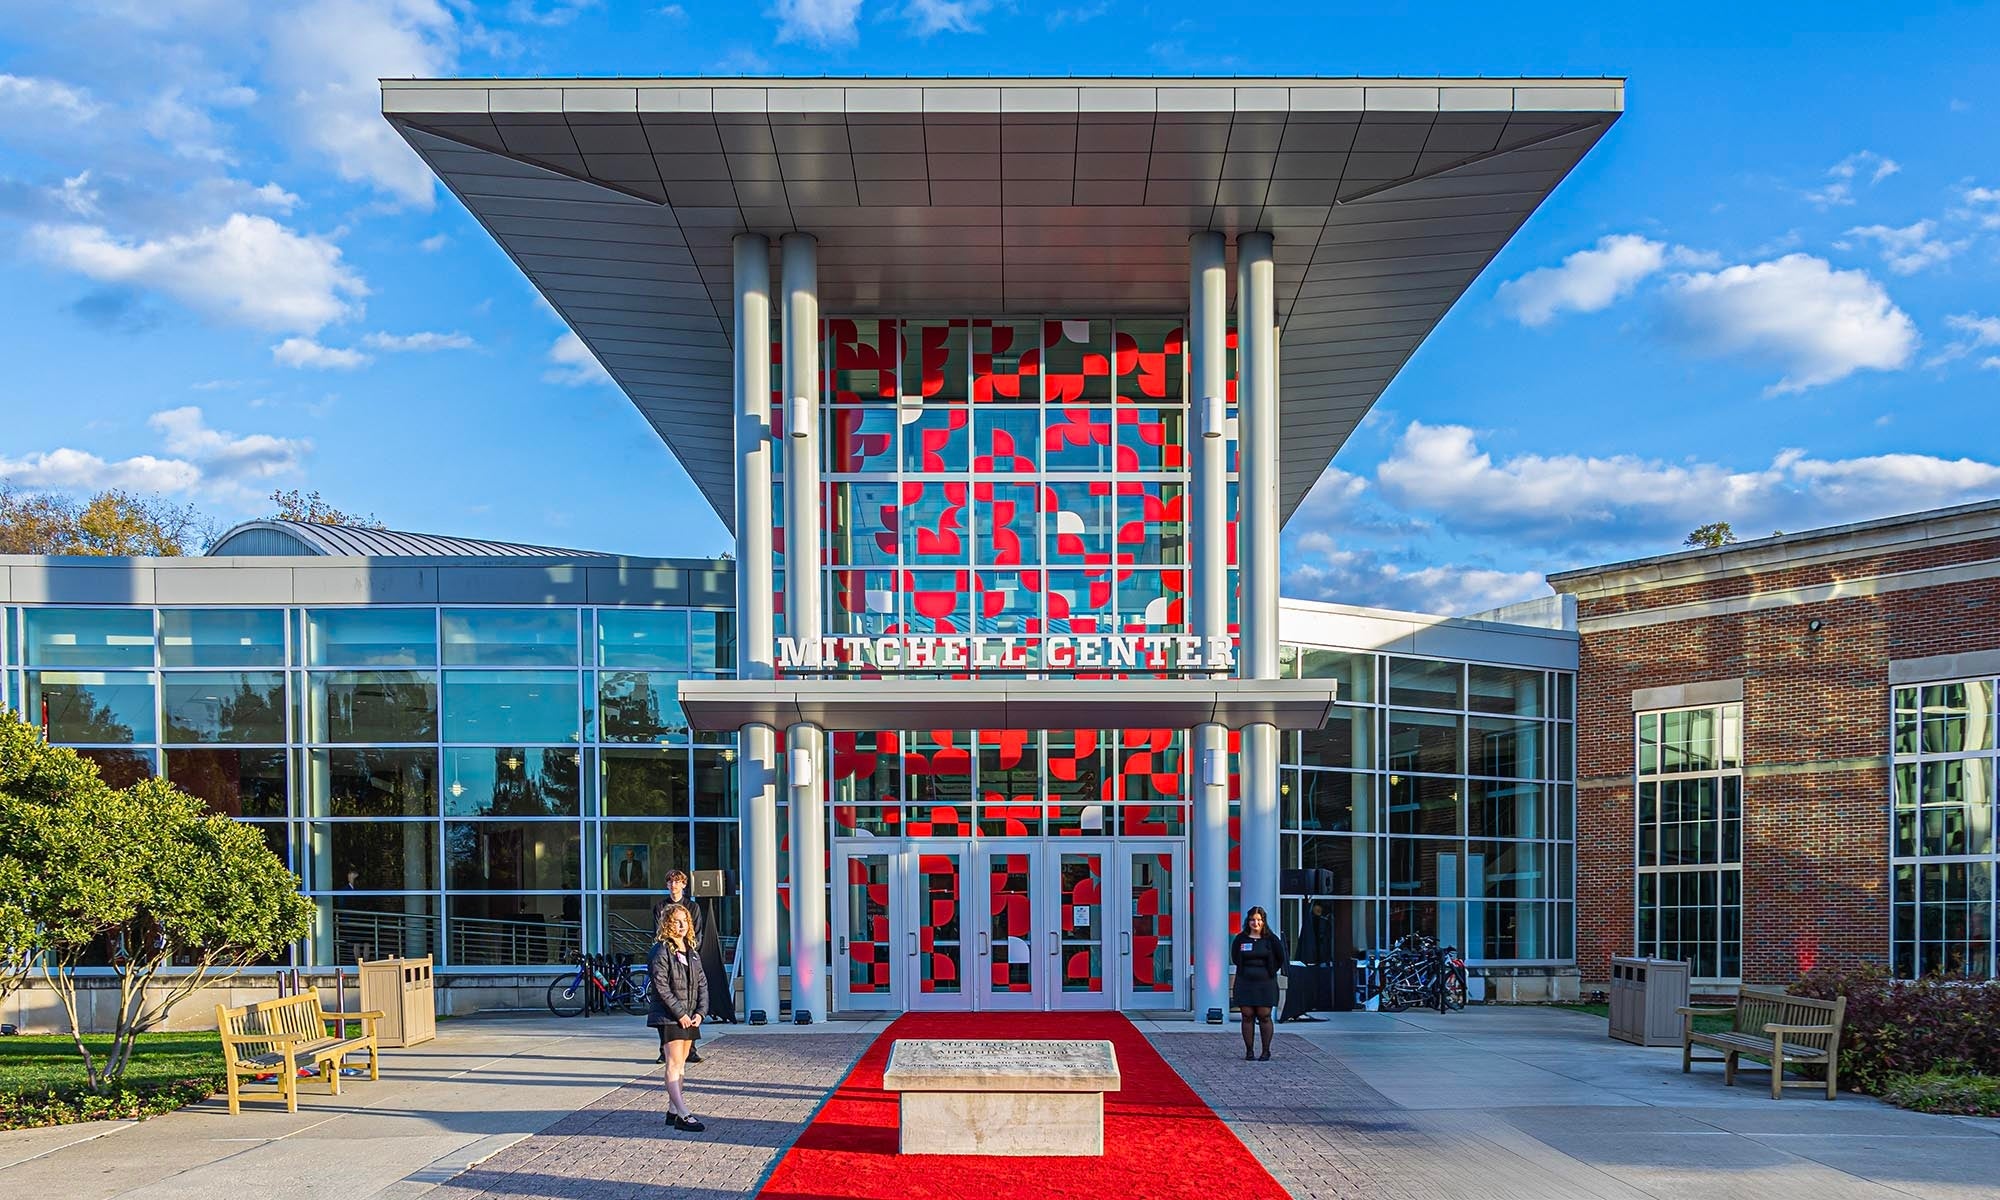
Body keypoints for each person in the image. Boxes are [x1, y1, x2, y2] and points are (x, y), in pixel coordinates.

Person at [647, 904, 707, 1132]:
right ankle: (683, 1113)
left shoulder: (691, 951)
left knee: (681, 1065)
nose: (681, 926)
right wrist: (680, 1014)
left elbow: (702, 983)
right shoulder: (661, 951)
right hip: (670, 1017)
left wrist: (700, 1012)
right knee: (673, 1064)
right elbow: (661, 986)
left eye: (685, 921)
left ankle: (673, 1111)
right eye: (676, 921)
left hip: (690, 1015)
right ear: (667, 924)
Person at [652, 870, 704, 1065]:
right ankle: (664, 1049)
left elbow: (696, 932)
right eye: (670, 882)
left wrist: (689, 953)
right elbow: (657, 932)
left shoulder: (693, 907)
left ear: (684, 885)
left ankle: (690, 1048)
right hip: (669, 957)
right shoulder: (660, 907)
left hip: (687, 956)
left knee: (689, 998)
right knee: (669, 1002)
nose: (673, 885)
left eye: (677, 882)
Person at [1231, 905, 1286, 1061]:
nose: (1255, 923)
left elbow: (1280, 957)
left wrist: (1269, 971)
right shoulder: (1241, 939)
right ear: (1248, 922)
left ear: (1263, 922)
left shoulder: (1271, 939)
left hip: (1265, 983)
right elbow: (1235, 957)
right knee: (1247, 1015)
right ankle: (1249, 1051)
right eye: (1252, 920)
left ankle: (1265, 1051)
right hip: (1245, 981)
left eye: (1259, 920)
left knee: (1264, 1015)